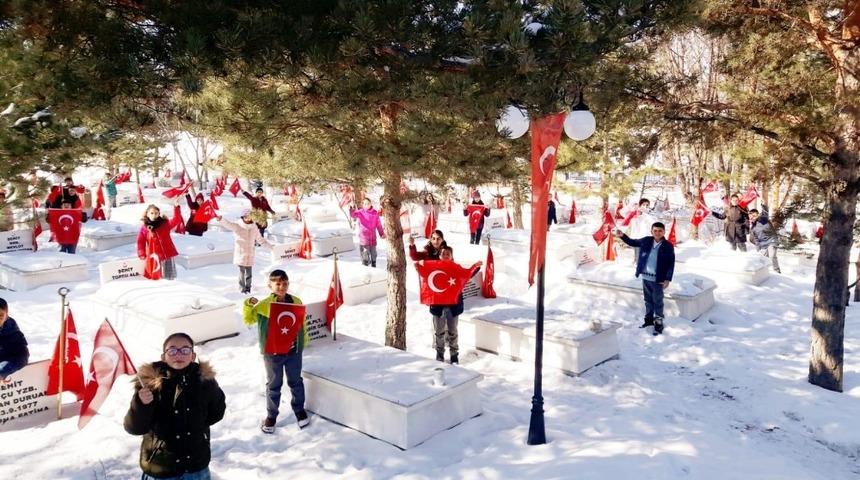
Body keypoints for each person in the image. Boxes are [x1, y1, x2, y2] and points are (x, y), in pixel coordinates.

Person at [123, 332, 226, 480]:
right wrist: (141, 404)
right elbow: (134, 428)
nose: (178, 354)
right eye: (172, 350)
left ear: (192, 355)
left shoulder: (204, 380)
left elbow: (216, 413)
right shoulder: (150, 384)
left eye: (185, 350)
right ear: (163, 356)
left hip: (196, 466)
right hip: (161, 467)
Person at [244, 269, 310, 433]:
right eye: (278, 284)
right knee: (274, 384)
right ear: (270, 285)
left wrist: (303, 342)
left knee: (296, 381)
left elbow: (301, 323)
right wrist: (248, 304)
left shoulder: (296, 301)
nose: (282, 287)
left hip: (293, 351)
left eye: (285, 283)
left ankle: (299, 410)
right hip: (272, 353)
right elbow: (249, 319)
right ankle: (271, 416)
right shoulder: (265, 305)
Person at [421, 246, 481, 364]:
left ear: (452, 256)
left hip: (453, 307)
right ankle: (440, 355)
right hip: (438, 307)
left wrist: (475, 266)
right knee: (439, 333)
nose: (445, 255)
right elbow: (425, 278)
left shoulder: (456, 268)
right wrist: (419, 267)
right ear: (439, 256)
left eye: (448, 254)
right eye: (443, 253)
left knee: (453, 332)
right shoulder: (434, 269)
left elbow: (467, 274)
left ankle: (454, 355)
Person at [616, 222, 675, 335]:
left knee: (657, 301)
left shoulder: (668, 246)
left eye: (660, 231)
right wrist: (622, 235)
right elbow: (632, 242)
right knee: (648, 300)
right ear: (651, 231)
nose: (657, 233)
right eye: (655, 230)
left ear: (664, 232)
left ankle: (658, 322)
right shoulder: (646, 240)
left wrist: (667, 279)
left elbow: (670, 263)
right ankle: (648, 321)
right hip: (646, 277)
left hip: (658, 279)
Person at [217, 210, 274, 293]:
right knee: (242, 273)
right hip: (241, 253)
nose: (247, 218)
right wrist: (221, 219)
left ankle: (248, 288)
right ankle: (242, 289)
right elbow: (228, 225)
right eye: (245, 216)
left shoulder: (254, 227)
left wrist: (271, 247)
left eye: (249, 216)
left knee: (249, 273)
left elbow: (261, 240)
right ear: (242, 217)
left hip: (250, 254)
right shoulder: (238, 226)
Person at [137, 203, 183, 280]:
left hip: (166, 255)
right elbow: (140, 241)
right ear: (147, 214)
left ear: (159, 214)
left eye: (156, 213)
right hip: (154, 256)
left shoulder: (164, 224)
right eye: (152, 213)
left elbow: (176, 220)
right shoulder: (144, 228)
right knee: (156, 277)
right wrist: (141, 252)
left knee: (168, 277)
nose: (154, 215)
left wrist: (176, 207)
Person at [350, 197, 385, 267]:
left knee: (374, 253)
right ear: (363, 205)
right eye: (365, 204)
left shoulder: (375, 213)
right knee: (365, 254)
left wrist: (381, 234)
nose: (367, 205)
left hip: (372, 238)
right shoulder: (360, 212)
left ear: (371, 204)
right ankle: (365, 265)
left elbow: (379, 225)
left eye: (368, 203)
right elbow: (353, 215)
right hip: (364, 238)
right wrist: (352, 207)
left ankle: (374, 265)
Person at [0, 298, 29, 380]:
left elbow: (23, 356)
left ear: (6, 316)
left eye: (0, 316)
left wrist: (3, 372)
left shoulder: (13, 332)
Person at [749, 207, 781, 273]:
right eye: (751, 216)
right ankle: (765, 273)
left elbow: (765, 216)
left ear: (757, 215)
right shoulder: (753, 227)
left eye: (754, 215)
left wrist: (762, 210)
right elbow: (755, 239)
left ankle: (777, 271)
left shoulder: (763, 220)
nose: (752, 217)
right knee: (764, 259)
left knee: (772, 257)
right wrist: (758, 248)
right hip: (763, 244)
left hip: (772, 241)